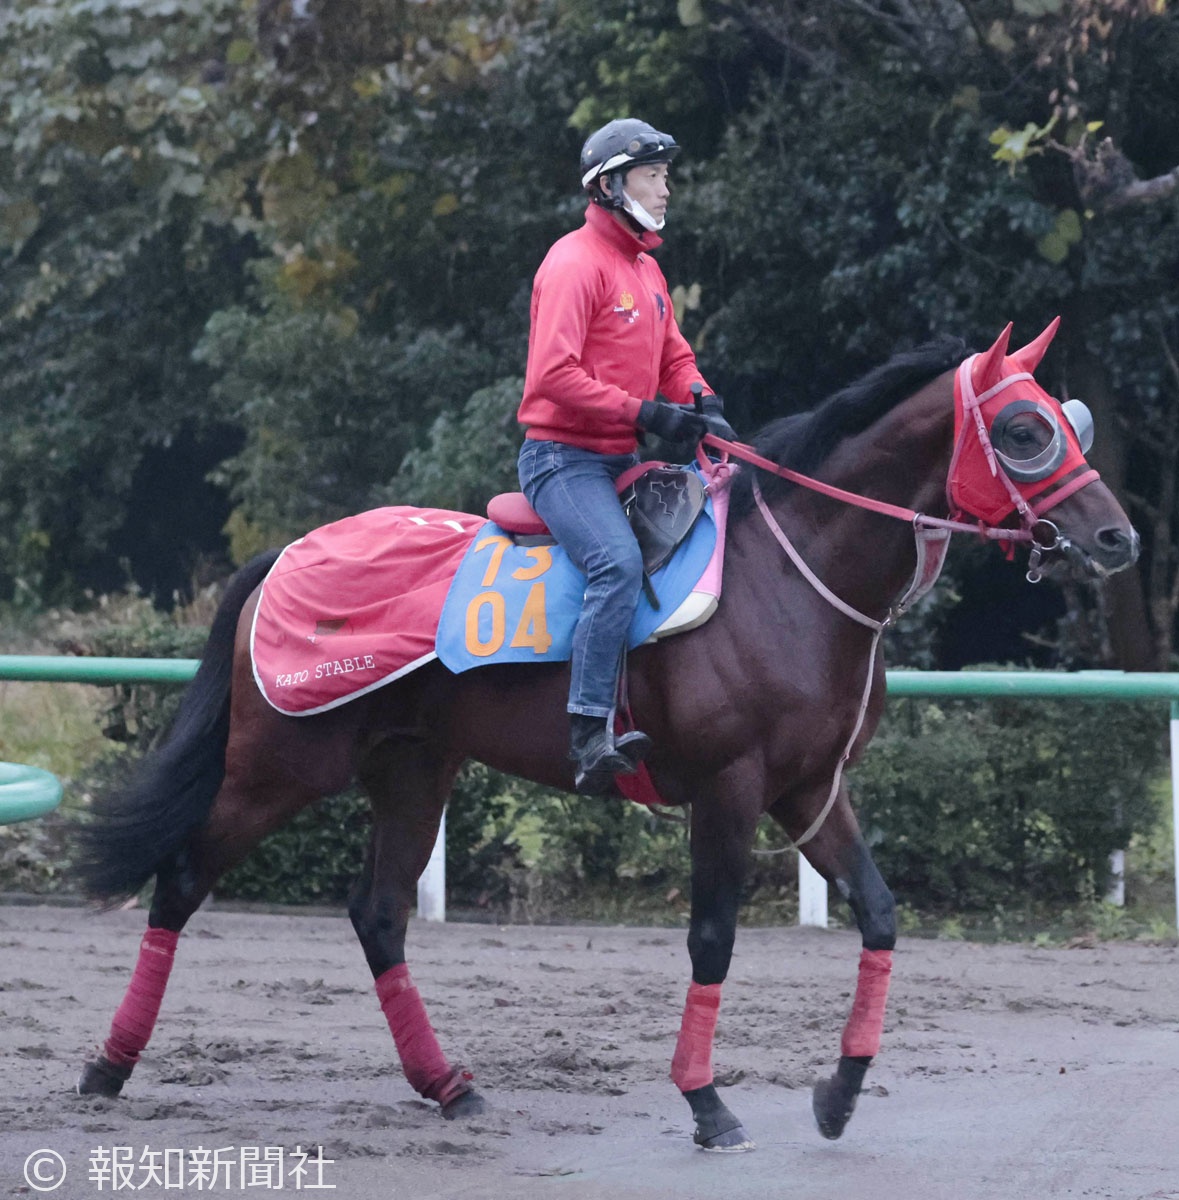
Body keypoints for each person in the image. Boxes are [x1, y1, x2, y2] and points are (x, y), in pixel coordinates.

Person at [515, 117, 737, 795]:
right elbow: (550, 378)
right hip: (561, 462)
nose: (665, 188)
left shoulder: (645, 267)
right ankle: (585, 732)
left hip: (617, 459)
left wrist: (702, 402)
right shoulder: (572, 263)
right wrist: (644, 413)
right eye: (653, 175)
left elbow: (674, 357)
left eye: (665, 175)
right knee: (614, 565)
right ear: (612, 185)